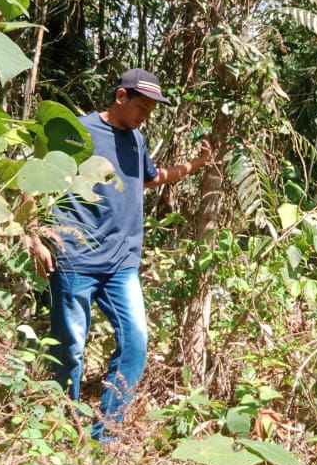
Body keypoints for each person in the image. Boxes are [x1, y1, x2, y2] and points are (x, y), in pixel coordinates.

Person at [29, 68, 211, 441]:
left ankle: (107, 434)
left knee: (136, 342)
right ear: (120, 97)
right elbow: (34, 174)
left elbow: (150, 178)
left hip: (121, 263)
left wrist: (195, 165)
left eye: (152, 110)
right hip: (74, 257)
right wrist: (34, 235)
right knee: (71, 351)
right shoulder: (75, 131)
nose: (147, 115)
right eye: (143, 106)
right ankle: (62, 432)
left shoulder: (136, 140)